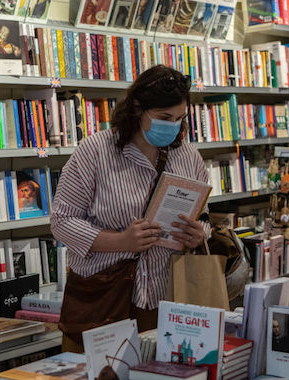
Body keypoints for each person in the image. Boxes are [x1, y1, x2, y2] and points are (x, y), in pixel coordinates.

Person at [51, 65, 209, 353]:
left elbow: (204, 216)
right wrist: (120, 241)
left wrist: (199, 234)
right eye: (164, 118)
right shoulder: (96, 151)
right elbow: (61, 221)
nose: (173, 126)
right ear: (137, 108)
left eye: (179, 119)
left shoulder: (189, 157)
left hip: (164, 300)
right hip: (103, 300)